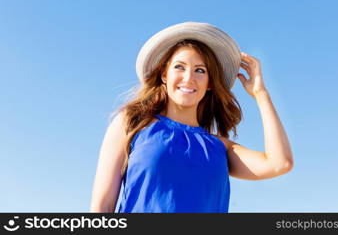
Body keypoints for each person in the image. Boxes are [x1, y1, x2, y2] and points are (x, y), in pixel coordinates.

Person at [89, 22, 294, 213]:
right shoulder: (132, 124)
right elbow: (102, 207)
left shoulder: (220, 148)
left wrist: (261, 94)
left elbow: (279, 163)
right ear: (164, 75)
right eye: (179, 67)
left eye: (200, 70)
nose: (189, 78)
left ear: (210, 83)